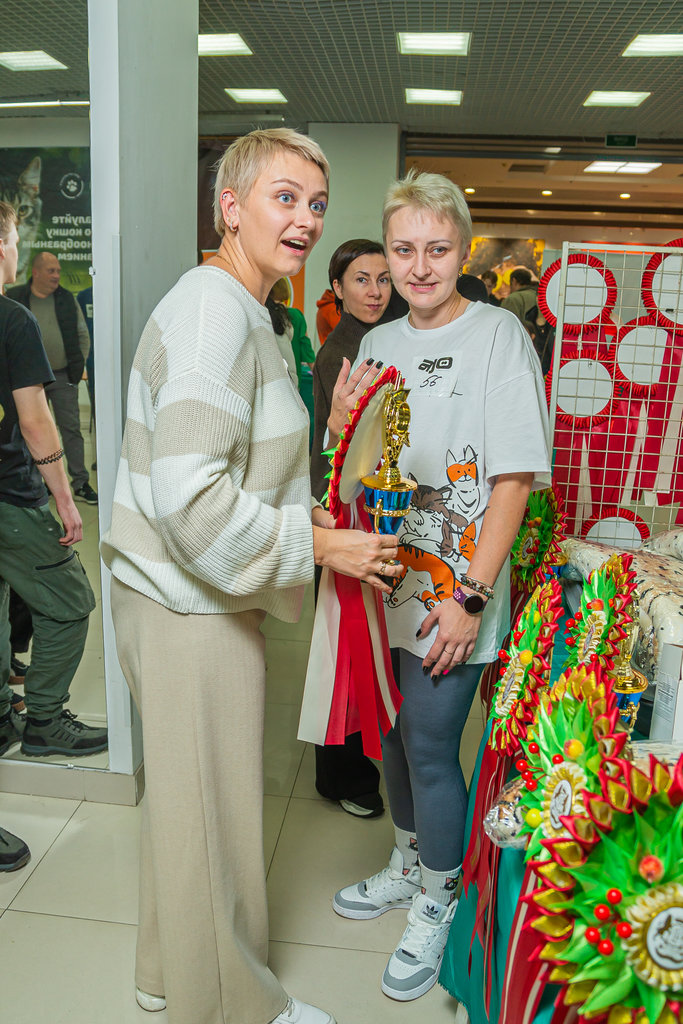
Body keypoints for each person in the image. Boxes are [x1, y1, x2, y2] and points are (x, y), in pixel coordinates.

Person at [101, 128, 402, 1024]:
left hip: (182, 596)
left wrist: (311, 492)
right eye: (284, 197)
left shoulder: (248, 308)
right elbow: (191, 499)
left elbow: (235, 463)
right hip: (186, 606)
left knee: (185, 811)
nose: (305, 219)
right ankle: (235, 1007)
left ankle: (166, 972)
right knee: (215, 819)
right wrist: (322, 547)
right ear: (230, 208)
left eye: (317, 203)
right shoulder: (214, 312)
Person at [328, 172, 551, 1001]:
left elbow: (512, 481)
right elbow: (355, 467)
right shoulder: (378, 342)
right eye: (403, 250)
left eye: (437, 249)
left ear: (463, 251)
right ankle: (407, 860)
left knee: (427, 743)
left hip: (456, 594)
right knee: (388, 738)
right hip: (379, 580)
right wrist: (338, 429)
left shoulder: (497, 336)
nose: (418, 267)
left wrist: (471, 599)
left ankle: (438, 899)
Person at [0, 200, 104, 762]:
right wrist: (65, 498)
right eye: (15, 240)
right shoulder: (12, 318)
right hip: (12, 495)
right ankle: (43, 720)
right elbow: (35, 421)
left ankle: (1, 719)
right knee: (70, 601)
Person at [310, 238, 393, 818]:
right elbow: (332, 444)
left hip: (376, 507)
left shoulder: (388, 338)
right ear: (338, 288)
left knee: (366, 644)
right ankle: (340, 773)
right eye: (361, 279)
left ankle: (359, 762)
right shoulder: (342, 352)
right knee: (340, 647)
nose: (375, 290)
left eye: (383, 278)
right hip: (343, 510)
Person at [7, 252, 98, 505]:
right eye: (51, 271)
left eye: (58, 270)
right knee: (29, 430)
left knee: (71, 430)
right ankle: (38, 483)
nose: (57, 275)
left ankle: (80, 483)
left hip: (62, 375)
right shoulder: (16, 297)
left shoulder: (66, 298)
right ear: (36, 272)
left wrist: (76, 369)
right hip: (26, 381)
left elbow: (82, 335)